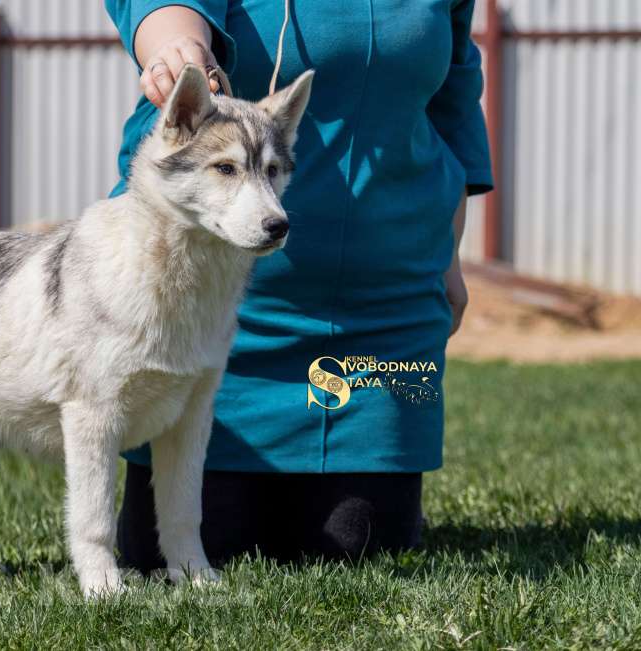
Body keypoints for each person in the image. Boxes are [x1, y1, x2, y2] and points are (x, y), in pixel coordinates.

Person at [104, 0, 493, 571]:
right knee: (174, 554)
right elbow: (167, 11)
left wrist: (448, 249)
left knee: (360, 548)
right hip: (206, 313)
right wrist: (179, 49)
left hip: (381, 319)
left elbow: (454, 99)